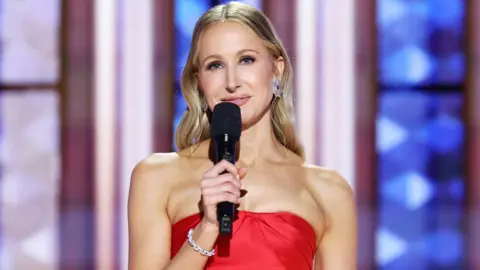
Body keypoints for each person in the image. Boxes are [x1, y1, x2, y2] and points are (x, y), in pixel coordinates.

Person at [128, 1, 357, 269]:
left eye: (246, 60)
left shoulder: (328, 189)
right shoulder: (157, 176)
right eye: (215, 65)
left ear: (277, 68)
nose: (232, 81)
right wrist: (207, 229)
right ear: (199, 80)